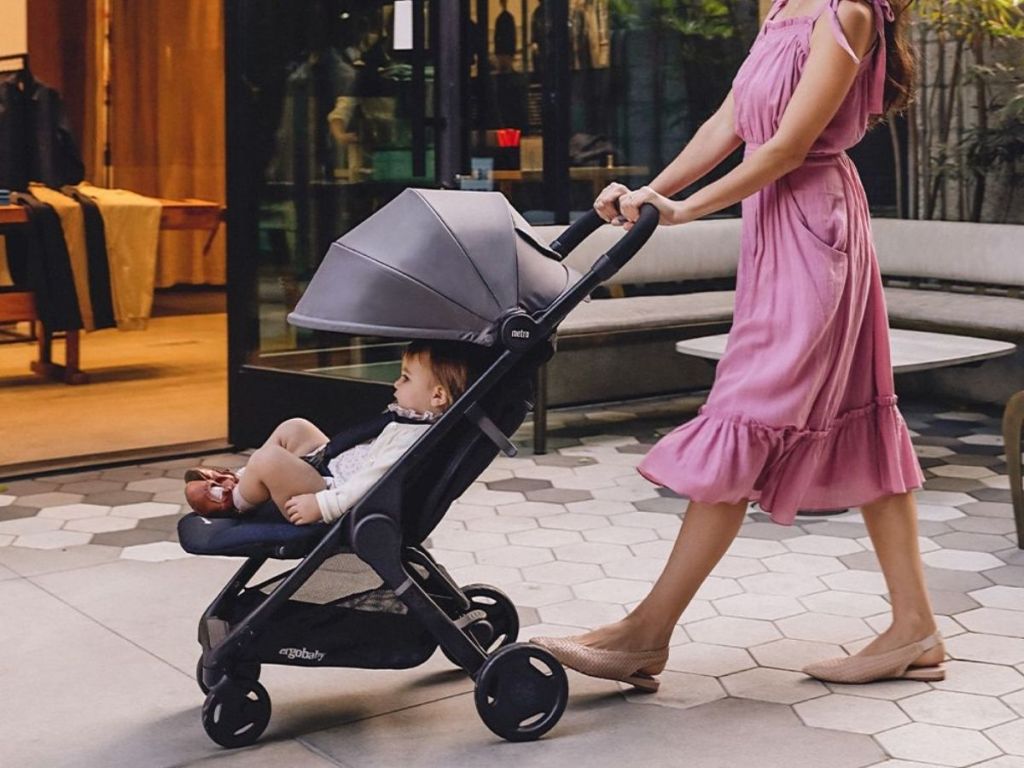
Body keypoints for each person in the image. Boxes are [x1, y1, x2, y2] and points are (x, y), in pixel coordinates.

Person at [532, 0, 946, 690]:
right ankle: (916, 627)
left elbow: (787, 146)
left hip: (816, 232)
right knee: (861, 416)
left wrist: (688, 209)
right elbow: (728, 122)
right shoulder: (783, 8)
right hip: (777, 229)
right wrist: (651, 194)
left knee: (744, 412)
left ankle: (646, 632)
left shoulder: (849, 15)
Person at [184, 341, 478, 525]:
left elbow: (372, 484)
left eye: (405, 378)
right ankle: (244, 479)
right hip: (332, 469)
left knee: (271, 459)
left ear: (438, 396)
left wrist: (323, 506)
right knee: (295, 428)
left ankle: (234, 502)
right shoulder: (411, 421)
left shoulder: (412, 440)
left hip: (329, 494)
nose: (396, 383)